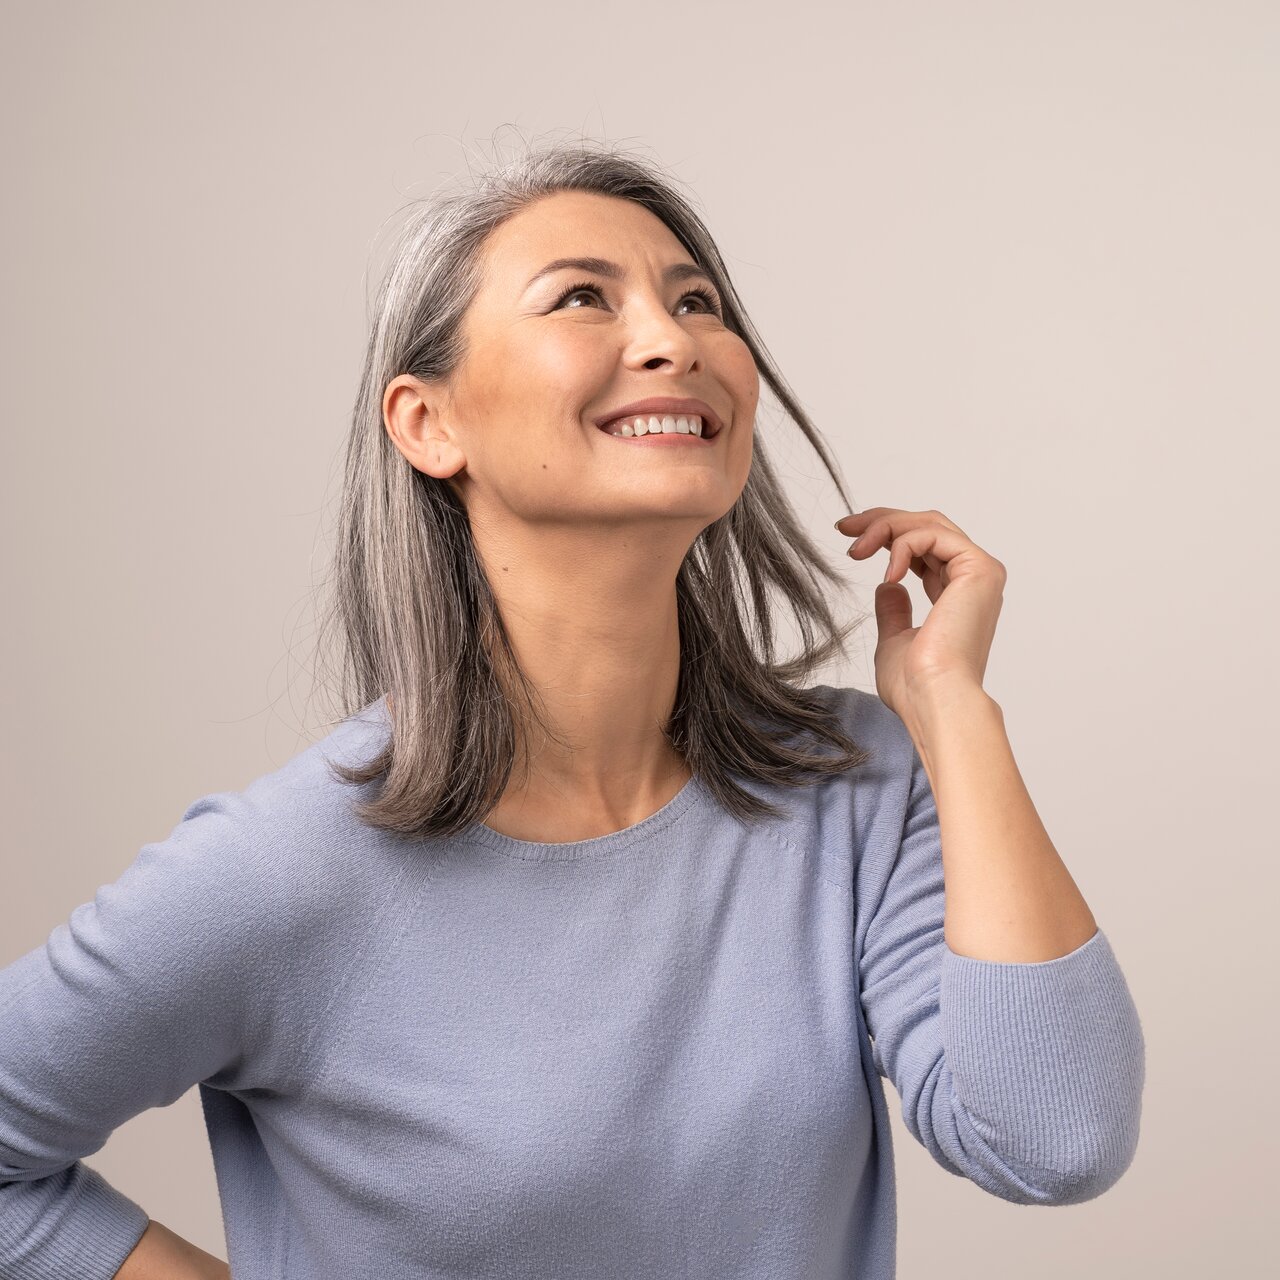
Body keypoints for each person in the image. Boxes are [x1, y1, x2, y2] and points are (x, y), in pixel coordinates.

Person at [0, 138, 1145, 1280]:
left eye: (695, 300)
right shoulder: (282, 870)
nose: (670, 339)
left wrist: (952, 711)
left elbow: (1052, 1138)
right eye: (581, 298)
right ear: (426, 424)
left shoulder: (851, 775)